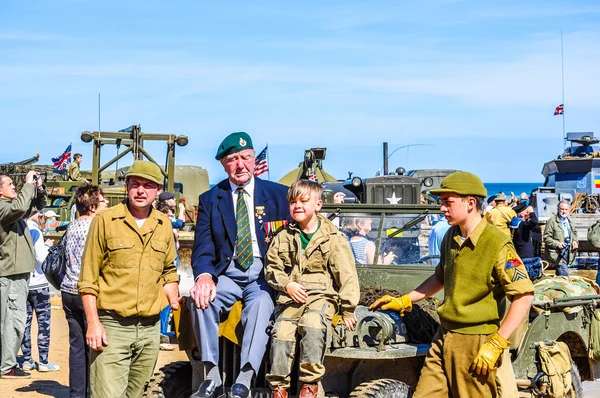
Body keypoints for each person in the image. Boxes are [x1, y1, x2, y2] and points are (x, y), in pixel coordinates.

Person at [369, 171, 534, 397]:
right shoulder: (451, 236)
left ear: (470, 203)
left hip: (476, 341)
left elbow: (524, 296)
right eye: (441, 202)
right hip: (444, 335)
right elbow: (440, 277)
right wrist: (406, 299)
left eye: (448, 202)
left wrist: (497, 343)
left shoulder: (497, 243)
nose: (442, 208)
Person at [189, 132, 290, 398]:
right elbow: (203, 247)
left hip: (264, 275)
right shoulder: (212, 198)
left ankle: (243, 380)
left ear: (254, 159)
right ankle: (210, 376)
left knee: (261, 306)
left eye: (245, 157)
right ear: (223, 164)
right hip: (228, 274)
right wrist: (203, 277)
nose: (240, 165)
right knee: (200, 300)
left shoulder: (279, 195)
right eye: (232, 159)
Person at [78, 161, 180, 398]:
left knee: (137, 395)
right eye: (136, 184)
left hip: (149, 329)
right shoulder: (105, 221)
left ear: (157, 190)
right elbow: (88, 278)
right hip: (112, 327)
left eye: (148, 185)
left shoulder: (163, 224)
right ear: (127, 186)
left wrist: (173, 296)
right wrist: (93, 323)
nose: (141, 190)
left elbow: (168, 270)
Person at [265, 180, 359, 398]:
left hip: (322, 296)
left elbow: (346, 274)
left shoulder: (332, 238)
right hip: (292, 297)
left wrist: (348, 309)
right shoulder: (283, 237)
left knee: (313, 324)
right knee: (282, 332)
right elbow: (272, 267)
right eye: (293, 202)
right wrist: (286, 284)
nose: (297, 206)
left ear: (318, 205)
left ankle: (310, 384)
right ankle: (278, 388)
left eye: (303, 201)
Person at [61, 185, 108, 398]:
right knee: (96, 346)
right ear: (92, 206)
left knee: (77, 348)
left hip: (68, 291)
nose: (107, 204)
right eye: (104, 201)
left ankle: (77, 394)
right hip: (88, 293)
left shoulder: (72, 226)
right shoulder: (97, 225)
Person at [0, 171, 47, 379]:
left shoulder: (11, 207)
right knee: (11, 322)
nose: (14, 187)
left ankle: (7, 363)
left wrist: (39, 189)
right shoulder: (3, 207)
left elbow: (34, 206)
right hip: (10, 274)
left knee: (14, 321)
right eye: (10, 184)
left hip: (17, 273)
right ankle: (7, 366)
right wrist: (28, 184)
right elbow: (20, 207)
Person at [21, 211, 60, 373]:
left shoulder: (19, 227)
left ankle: (26, 359)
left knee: (25, 323)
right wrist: (47, 246)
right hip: (39, 284)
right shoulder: (34, 230)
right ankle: (43, 360)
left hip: (24, 283)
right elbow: (41, 258)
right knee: (44, 324)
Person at [543, 200, 578, 276]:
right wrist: (557, 243)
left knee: (560, 273)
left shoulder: (570, 220)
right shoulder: (552, 221)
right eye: (562, 209)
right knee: (564, 274)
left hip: (569, 251)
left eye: (566, 209)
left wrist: (575, 241)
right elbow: (546, 238)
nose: (564, 212)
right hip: (558, 253)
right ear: (558, 209)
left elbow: (574, 233)